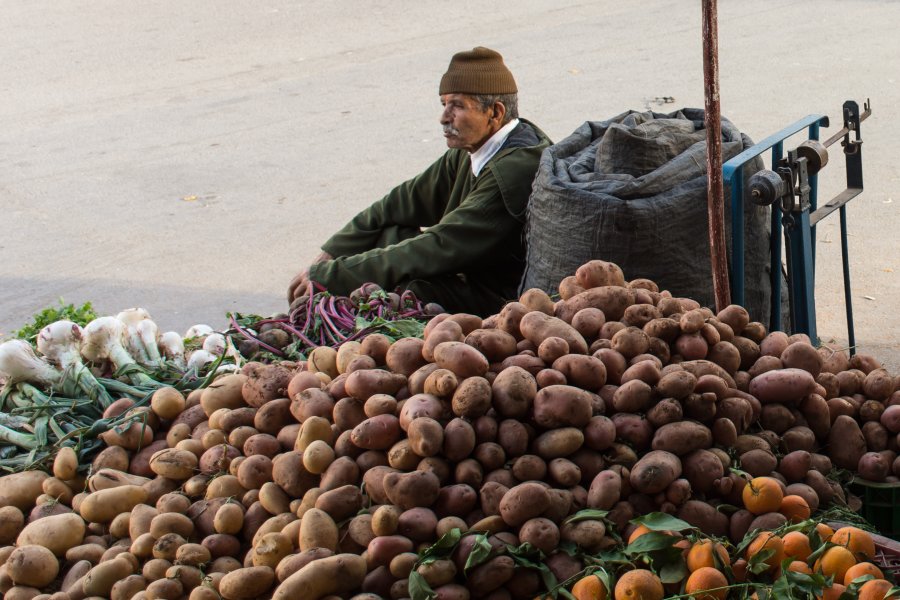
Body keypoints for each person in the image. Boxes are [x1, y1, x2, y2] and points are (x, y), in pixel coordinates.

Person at [287, 46, 551, 315]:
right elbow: (399, 202)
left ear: (495, 112)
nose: (444, 118)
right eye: (444, 104)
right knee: (385, 233)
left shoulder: (514, 170)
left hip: (498, 301)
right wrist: (331, 251)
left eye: (457, 106)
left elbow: (439, 245)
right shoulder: (472, 150)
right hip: (463, 271)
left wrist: (331, 276)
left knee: (404, 286)